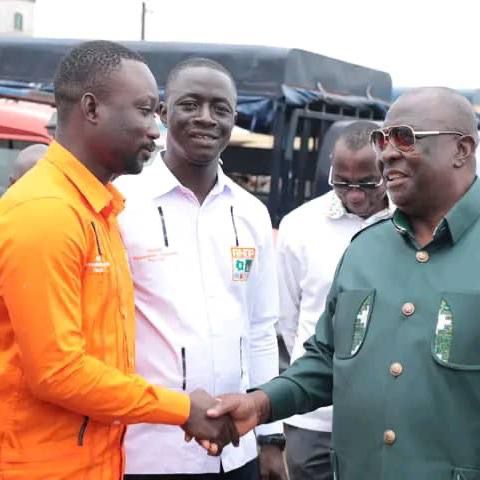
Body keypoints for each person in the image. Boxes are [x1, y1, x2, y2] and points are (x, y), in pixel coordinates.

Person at [207, 87, 480, 480]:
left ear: (462, 149)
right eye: (381, 140)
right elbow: (326, 361)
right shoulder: (365, 250)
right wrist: (261, 403)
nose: (387, 154)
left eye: (404, 138)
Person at [0, 41, 237, 480]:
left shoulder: (100, 211)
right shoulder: (46, 212)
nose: (155, 130)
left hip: (98, 460)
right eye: (144, 111)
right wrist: (182, 409)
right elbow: (58, 371)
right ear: (91, 108)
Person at [115, 57, 287, 480]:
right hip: (149, 452)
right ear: (163, 112)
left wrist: (270, 438)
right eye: (191, 104)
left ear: (234, 119)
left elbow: (261, 329)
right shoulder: (120, 204)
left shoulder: (250, 212)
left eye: (220, 108)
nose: (206, 118)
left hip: (236, 451)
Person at [276, 120, 392, 480]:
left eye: (368, 183)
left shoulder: (410, 224)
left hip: (384, 418)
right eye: (342, 183)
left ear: (388, 167)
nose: (354, 195)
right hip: (313, 418)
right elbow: (287, 319)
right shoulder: (299, 226)